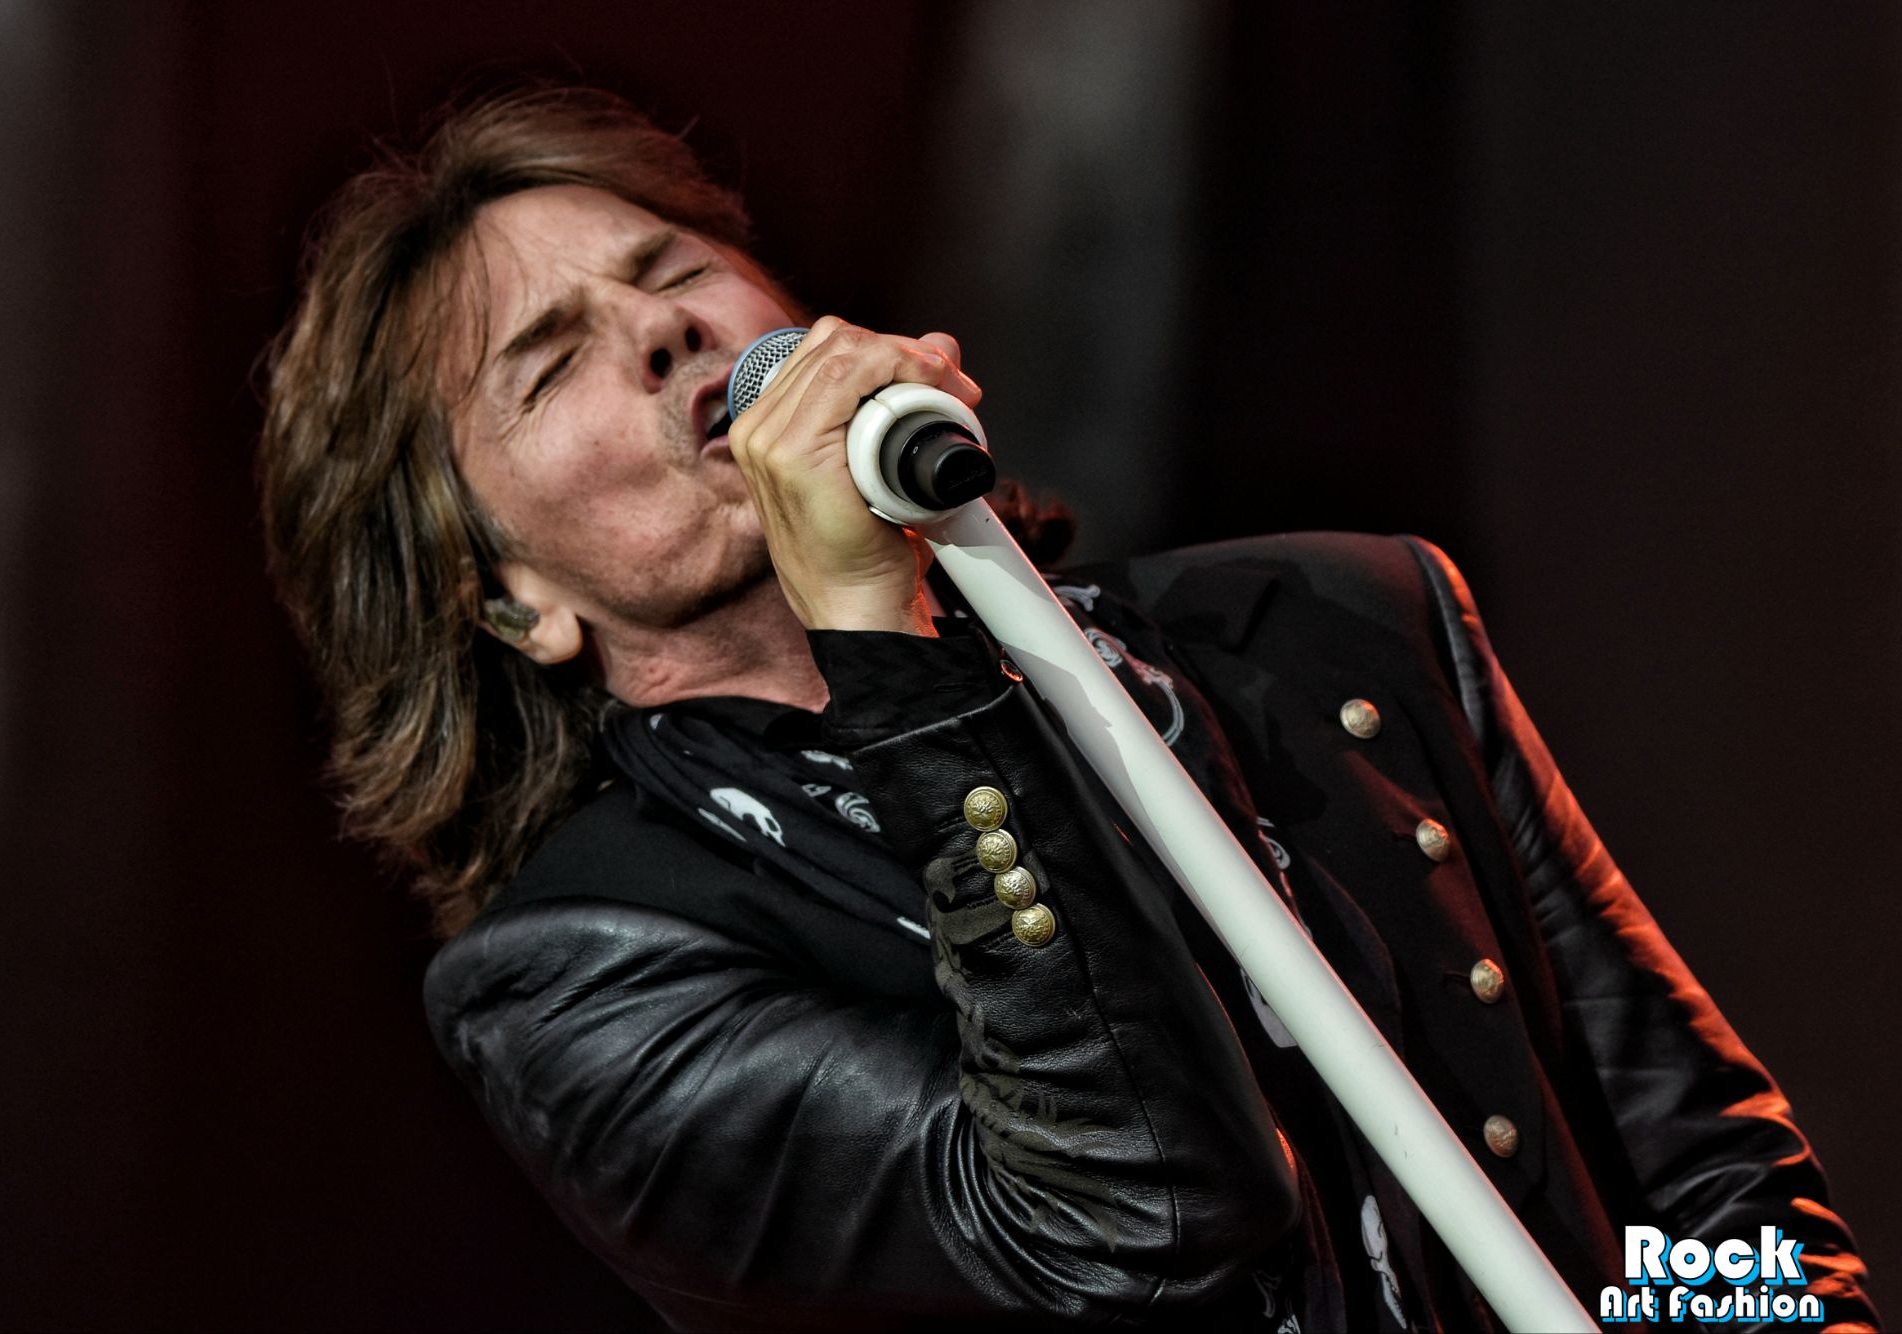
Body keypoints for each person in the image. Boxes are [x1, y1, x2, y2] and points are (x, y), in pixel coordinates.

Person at [257, 86, 1876, 1332]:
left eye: (675, 270)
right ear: (510, 599)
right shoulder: (582, 977)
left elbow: (1699, 1169)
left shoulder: (1341, 621)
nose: (666, 328)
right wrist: (887, 651)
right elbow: (1143, 1213)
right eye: (551, 364)